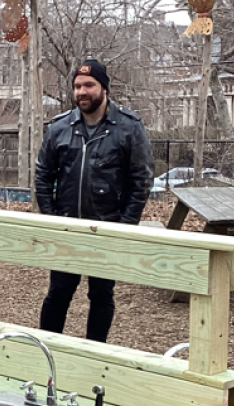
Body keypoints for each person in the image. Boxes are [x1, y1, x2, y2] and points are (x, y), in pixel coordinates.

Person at [34, 59, 152, 343]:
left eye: (89, 85)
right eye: (77, 86)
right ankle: (47, 352)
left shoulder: (128, 127)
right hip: (66, 228)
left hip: (107, 227)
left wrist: (125, 225)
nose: (82, 92)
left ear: (104, 88)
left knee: (101, 293)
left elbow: (141, 180)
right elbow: (42, 174)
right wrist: (52, 218)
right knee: (58, 293)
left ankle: (95, 354)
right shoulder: (60, 127)